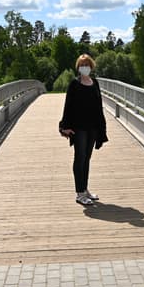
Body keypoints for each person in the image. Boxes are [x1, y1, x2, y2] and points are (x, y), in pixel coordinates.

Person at [58, 54, 108, 205]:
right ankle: (79, 193)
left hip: (93, 127)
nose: (84, 67)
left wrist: (102, 127)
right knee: (79, 158)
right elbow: (68, 105)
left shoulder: (95, 83)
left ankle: (85, 189)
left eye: (86, 64)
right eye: (81, 65)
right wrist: (64, 126)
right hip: (79, 127)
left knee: (87, 158)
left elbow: (99, 106)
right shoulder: (74, 84)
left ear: (91, 66)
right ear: (78, 68)